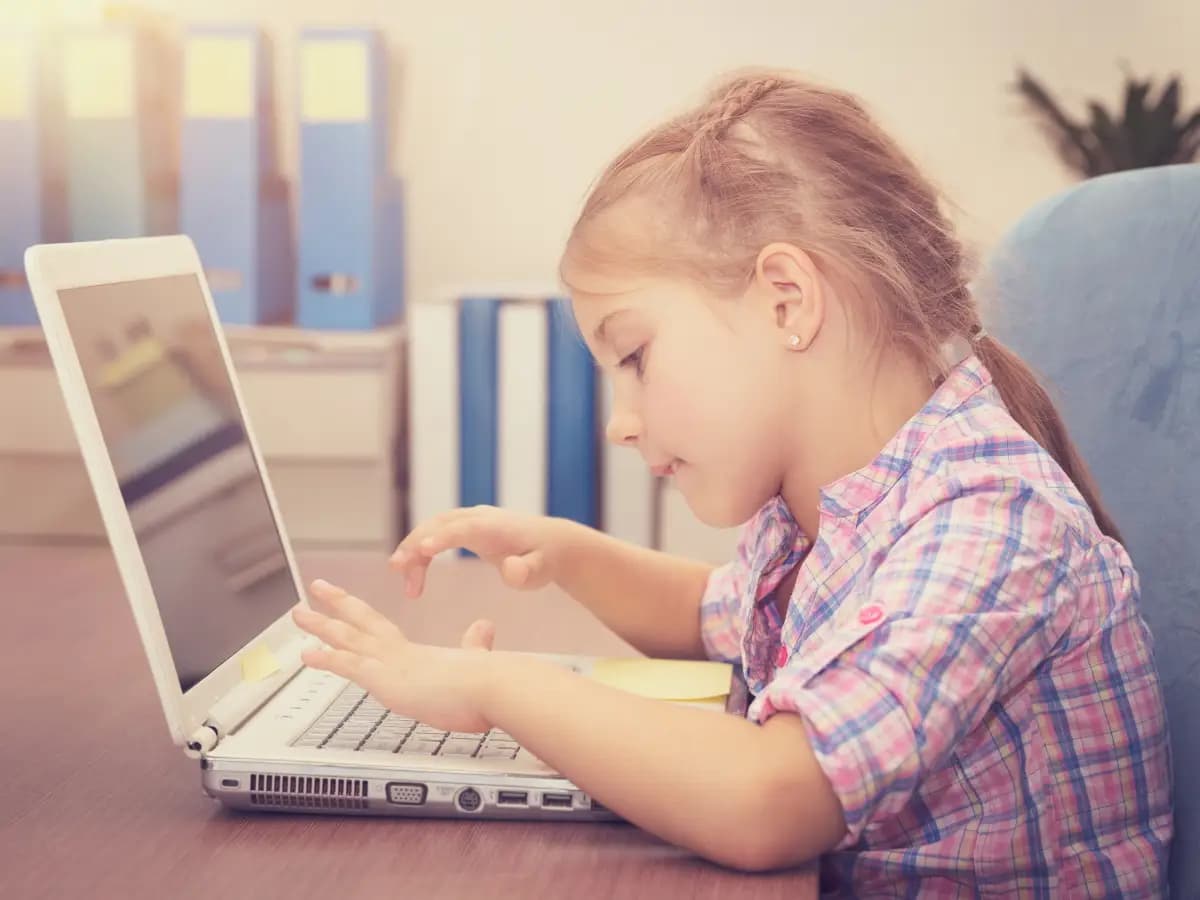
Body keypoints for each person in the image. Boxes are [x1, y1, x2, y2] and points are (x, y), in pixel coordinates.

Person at [291, 70, 1172, 893]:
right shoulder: (833, 505)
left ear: (787, 300)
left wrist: (495, 688)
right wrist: (565, 552)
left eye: (634, 357)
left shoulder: (988, 520)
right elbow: (712, 615)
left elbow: (769, 801)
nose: (619, 419)